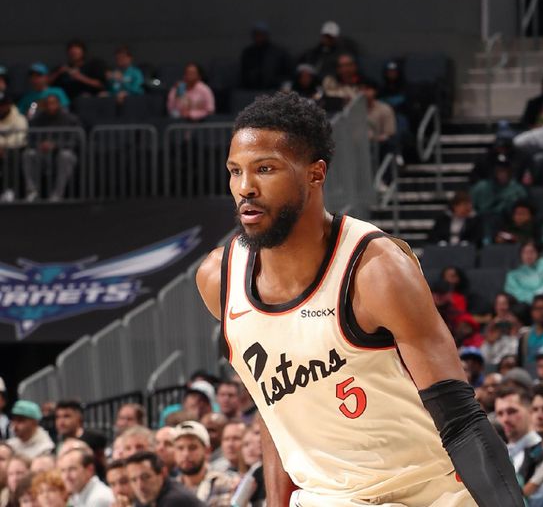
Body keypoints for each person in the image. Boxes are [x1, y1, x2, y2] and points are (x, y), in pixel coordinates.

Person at [195, 93, 524, 506]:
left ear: (315, 174)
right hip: (325, 497)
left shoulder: (376, 270)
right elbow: (275, 412)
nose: (245, 188)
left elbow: (461, 419)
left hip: (423, 493)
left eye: (265, 169)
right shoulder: (218, 280)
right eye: (235, 171)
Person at [21, 92, 80, 202]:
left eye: (53, 103)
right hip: (42, 154)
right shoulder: (38, 119)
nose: (50, 106)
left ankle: (57, 194)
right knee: (28, 154)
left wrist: (56, 145)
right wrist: (39, 145)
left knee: (65, 156)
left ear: (59, 104)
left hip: (61, 155)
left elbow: (76, 141)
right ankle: (32, 192)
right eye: (47, 104)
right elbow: (29, 139)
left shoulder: (70, 119)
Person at [172, 421, 238, 506]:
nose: (186, 454)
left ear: (207, 451)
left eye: (192, 448)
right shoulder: (171, 488)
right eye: (180, 448)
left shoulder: (226, 483)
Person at [494, 385, 542, 482]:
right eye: (500, 414)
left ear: (530, 411)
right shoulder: (498, 453)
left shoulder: (542, 450)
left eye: (511, 411)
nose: (505, 419)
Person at [125, 451, 204, 506]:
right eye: (134, 480)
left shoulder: (175, 500)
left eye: (146, 477)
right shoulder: (146, 497)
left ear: (163, 473)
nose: (140, 486)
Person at [239, 21, 291, 91]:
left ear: (266, 35)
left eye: (261, 34)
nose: (259, 37)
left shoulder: (278, 52)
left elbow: (286, 73)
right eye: (257, 34)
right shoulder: (248, 52)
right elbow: (244, 73)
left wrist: (276, 81)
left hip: (273, 89)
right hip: (252, 89)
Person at [54, 400, 106, 466]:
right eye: (58, 417)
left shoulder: (94, 438)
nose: (61, 421)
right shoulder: (57, 443)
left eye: (66, 416)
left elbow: (103, 465)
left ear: (79, 417)